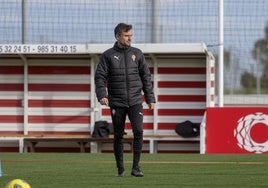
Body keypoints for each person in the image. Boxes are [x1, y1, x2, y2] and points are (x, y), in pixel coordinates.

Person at [94, 23, 156, 177]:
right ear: (117, 36)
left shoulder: (137, 53)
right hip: (117, 102)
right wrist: (102, 95)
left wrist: (150, 97)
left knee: (139, 131)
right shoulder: (107, 55)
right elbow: (100, 77)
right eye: (127, 35)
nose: (130, 38)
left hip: (135, 101)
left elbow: (146, 77)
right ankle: (120, 169)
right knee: (119, 135)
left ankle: (136, 168)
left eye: (131, 35)